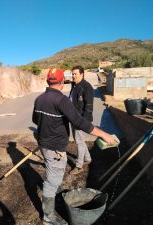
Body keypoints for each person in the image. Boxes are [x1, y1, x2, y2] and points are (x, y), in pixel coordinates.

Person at [32, 68, 116, 225]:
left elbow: (36, 120)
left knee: (52, 171)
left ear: (47, 81)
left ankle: (55, 191)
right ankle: (48, 216)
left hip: (44, 143)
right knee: (52, 179)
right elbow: (80, 122)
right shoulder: (62, 100)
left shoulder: (39, 99)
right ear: (63, 81)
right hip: (55, 147)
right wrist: (104, 134)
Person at [69, 65, 94, 175]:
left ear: (82, 74)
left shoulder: (86, 86)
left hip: (79, 119)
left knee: (79, 141)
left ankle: (79, 166)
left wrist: (83, 121)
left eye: (75, 74)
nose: (73, 76)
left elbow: (89, 106)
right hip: (73, 117)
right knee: (79, 140)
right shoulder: (74, 85)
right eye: (72, 74)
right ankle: (88, 158)